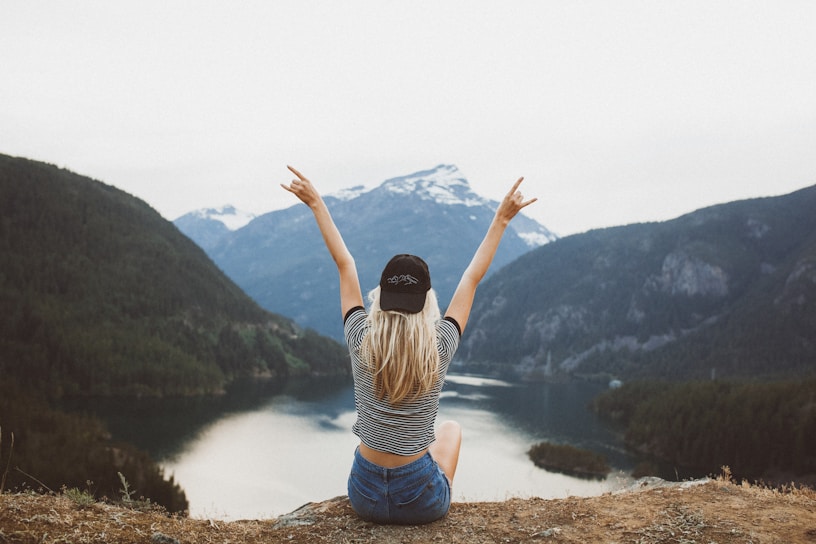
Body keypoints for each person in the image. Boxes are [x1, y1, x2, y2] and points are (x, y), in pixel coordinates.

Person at [281, 166, 536, 524]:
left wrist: (316, 204)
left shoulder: (360, 337)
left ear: (381, 297)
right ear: (427, 301)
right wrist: (501, 220)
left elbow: (345, 264)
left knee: (416, 443)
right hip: (421, 501)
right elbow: (472, 277)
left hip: (364, 494)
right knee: (450, 430)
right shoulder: (440, 346)